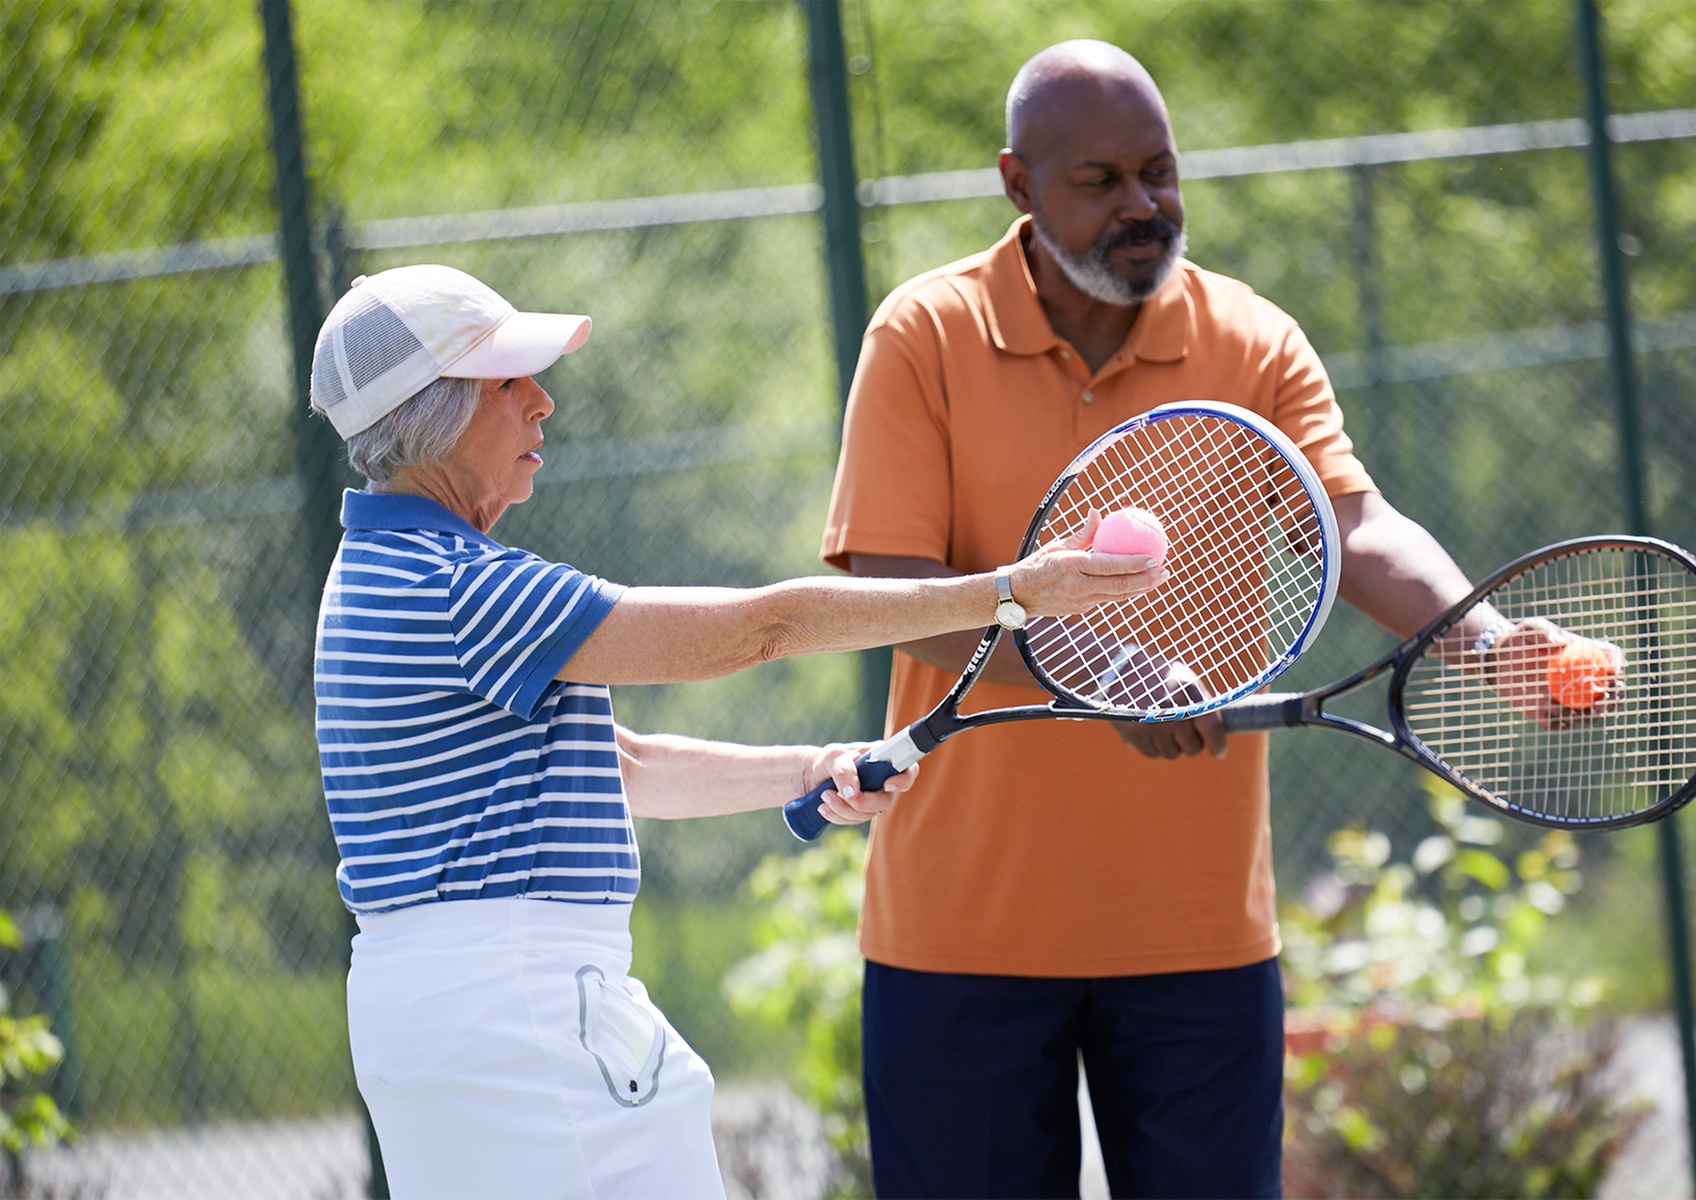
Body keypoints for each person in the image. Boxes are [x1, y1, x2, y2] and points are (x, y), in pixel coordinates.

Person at [821, 41, 1579, 1198]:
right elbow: (891, 591)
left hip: (1198, 943)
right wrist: (1102, 671)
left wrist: (1478, 637)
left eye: (1161, 173)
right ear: (1019, 185)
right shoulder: (922, 336)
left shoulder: (1253, 341)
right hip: (957, 941)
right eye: (1102, 182)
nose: (1144, 206)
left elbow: (1353, 528)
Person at [307, 263, 1163, 1199]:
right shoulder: (462, 585)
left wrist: (811, 767)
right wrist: (1008, 592)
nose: (542, 401)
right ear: (437, 411)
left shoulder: (370, 575)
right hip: (519, 1006)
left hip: (427, 1016)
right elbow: (757, 630)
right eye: (509, 381)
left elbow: (618, 764)